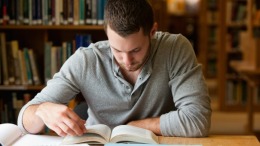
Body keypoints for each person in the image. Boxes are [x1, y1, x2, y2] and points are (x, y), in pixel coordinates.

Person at [18, 0, 211, 137]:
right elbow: (24, 121)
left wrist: (135, 126)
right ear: (107, 35)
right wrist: (42, 110)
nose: (126, 61)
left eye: (136, 50)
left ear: (153, 31)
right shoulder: (86, 60)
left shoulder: (175, 48)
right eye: (117, 49)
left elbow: (197, 120)